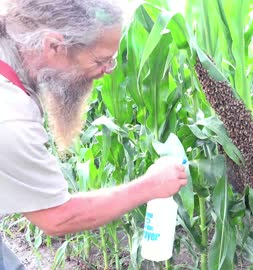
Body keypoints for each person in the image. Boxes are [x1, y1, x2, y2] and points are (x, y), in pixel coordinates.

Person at [0, 1, 188, 269]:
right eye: (101, 60)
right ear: (53, 46)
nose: (109, 69)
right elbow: (57, 217)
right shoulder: (9, 116)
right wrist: (151, 185)